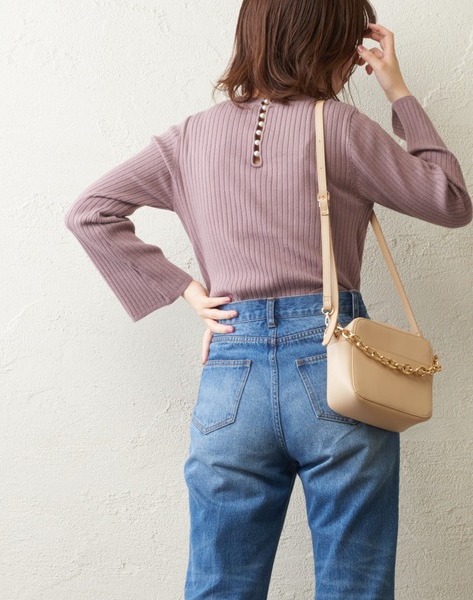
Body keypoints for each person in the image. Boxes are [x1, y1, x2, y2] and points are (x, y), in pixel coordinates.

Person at [64, 1, 471, 598]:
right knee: (354, 586)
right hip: (336, 368)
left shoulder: (188, 137)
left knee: (220, 586)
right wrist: (397, 89)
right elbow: (451, 201)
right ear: (330, 43)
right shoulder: (339, 125)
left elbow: (89, 213)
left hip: (231, 370)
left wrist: (189, 292)